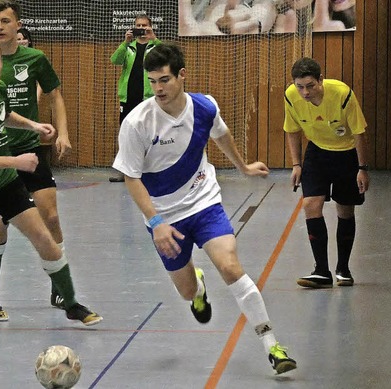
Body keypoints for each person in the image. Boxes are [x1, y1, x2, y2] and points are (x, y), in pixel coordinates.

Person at [113, 43, 297, 374]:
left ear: (181, 75)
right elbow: (131, 177)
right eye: (153, 81)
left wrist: (242, 167)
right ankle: (198, 286)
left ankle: (273, 346)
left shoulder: (204, 107)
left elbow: (222, 136)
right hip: (164, 219)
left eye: (165, 80)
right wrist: (155, 222)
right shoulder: (138, 122)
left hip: (204, 201)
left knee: (229, 266)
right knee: (185, 292)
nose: (158, 89)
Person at [0, 33, 101, 326]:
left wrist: (33, 125)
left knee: (42, 234)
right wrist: (16, 161)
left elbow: (3, 115)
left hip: (4, 182)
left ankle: (70, 303)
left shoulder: (0, 88)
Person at [284, 57, 369, 288]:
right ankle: (321, 271)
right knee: (310, 204)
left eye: (310, 86)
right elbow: (291, 130)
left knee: (345, 210)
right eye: (300, 87)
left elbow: (359, 132)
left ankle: (343, 268)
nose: (305, 92)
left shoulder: (342, 94)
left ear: (321, 79)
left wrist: (362, 168)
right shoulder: (291, 96)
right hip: (317, 152)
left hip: (347, 153)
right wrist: (296, 164)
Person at [109, 13, 161, 182]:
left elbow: (167, 57)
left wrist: (154, 39)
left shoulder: (155, 47)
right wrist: (125, 43)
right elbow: (114, 60)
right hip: (128, 98)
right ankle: (125, 171)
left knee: (150, 134)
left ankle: (150, 171)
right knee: (126, 133)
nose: (141, 29)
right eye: (138, 26)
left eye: (144, 26)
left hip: (147, 99)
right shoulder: (129, 47)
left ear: (150, 27)